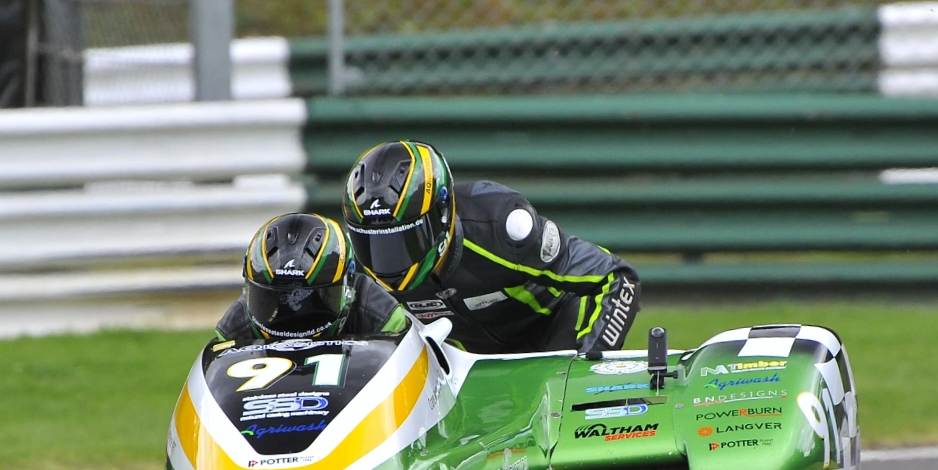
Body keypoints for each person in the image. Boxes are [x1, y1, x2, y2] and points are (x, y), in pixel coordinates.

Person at [339, 140, 640, 354]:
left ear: (441, 215)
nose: (386, 258)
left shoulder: (503, 225)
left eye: (403, 240)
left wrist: (591, 363)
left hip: (556, 330)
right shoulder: (354, 274)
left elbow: (616, 277)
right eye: (372, 243)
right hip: (475, 365)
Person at [212, 213, 410, 345]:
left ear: (348, 286)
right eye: (274, 300)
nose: (293, 319)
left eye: (313, 300)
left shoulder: (382, 318)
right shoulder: (233, 331)